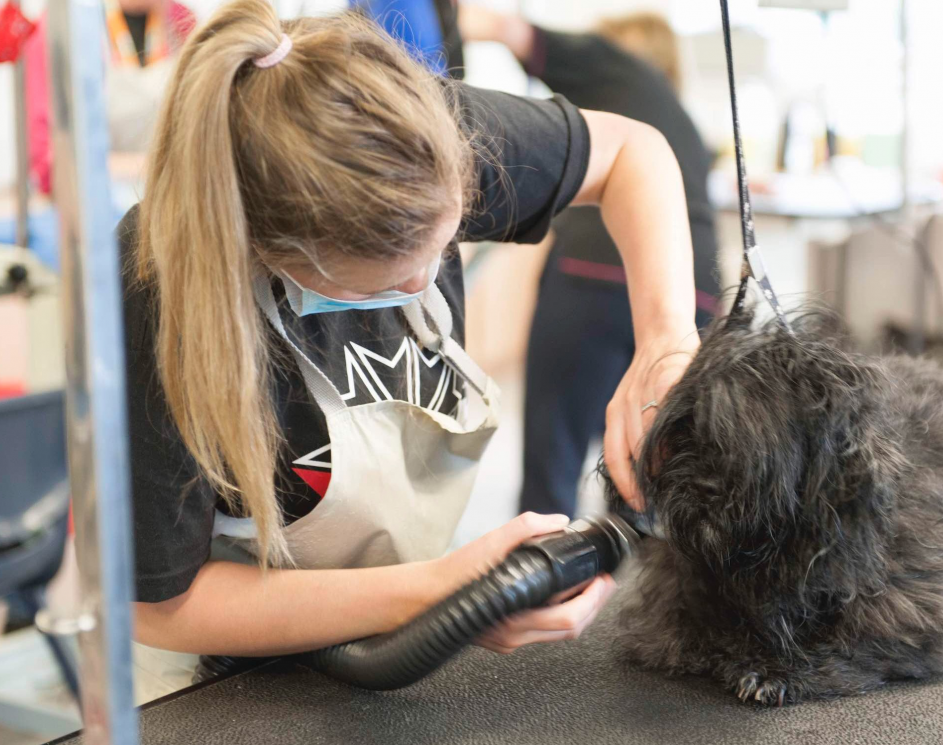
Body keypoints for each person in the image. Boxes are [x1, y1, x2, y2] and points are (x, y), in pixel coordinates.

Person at [122, 0, 700, 699]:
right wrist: (435, 594)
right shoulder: (160, 286)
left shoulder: (415, 138)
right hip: (218, 680)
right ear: (278, 253)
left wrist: (666, 339)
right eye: (397, 277)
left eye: (448, 241)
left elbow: (633, 152)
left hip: (390, 652)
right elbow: (159, 605)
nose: (430, 280)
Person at [459, 8, 719, 517]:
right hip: (694, 296)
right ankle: (634, 586)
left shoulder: (613, 65)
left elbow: (503, 27)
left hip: (595, 278)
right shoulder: (682, 118)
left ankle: (544, 582)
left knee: (553, 463)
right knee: (649, 467)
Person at [22, 0, 196, 194]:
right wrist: (151, 167)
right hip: (97, 207)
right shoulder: (60, 28)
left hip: (174, 200)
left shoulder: (183, 22)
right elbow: (49, 164)